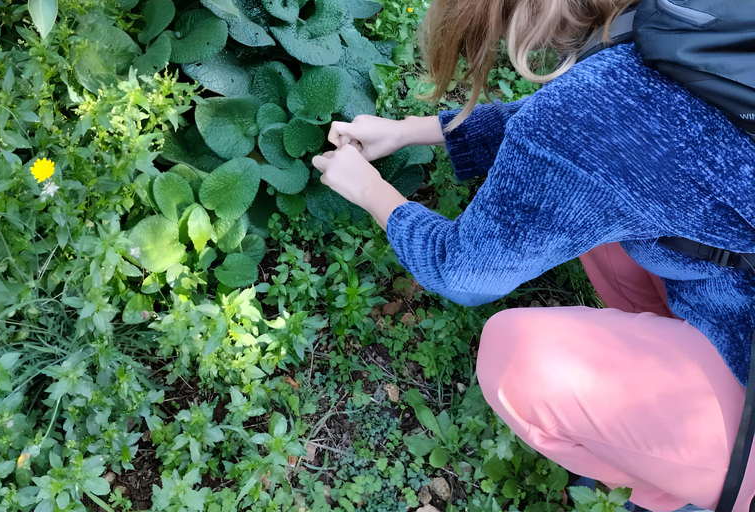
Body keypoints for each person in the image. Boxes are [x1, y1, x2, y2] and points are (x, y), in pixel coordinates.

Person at [310, 0, 755, 510]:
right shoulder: (681, 17)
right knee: (599, 226)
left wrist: (370, 190)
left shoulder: (594, 107)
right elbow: (607, 130)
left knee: (514, 356)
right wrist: (412, 130)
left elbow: (461, 270)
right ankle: (663, 401)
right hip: (731, 281)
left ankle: (675, 486)